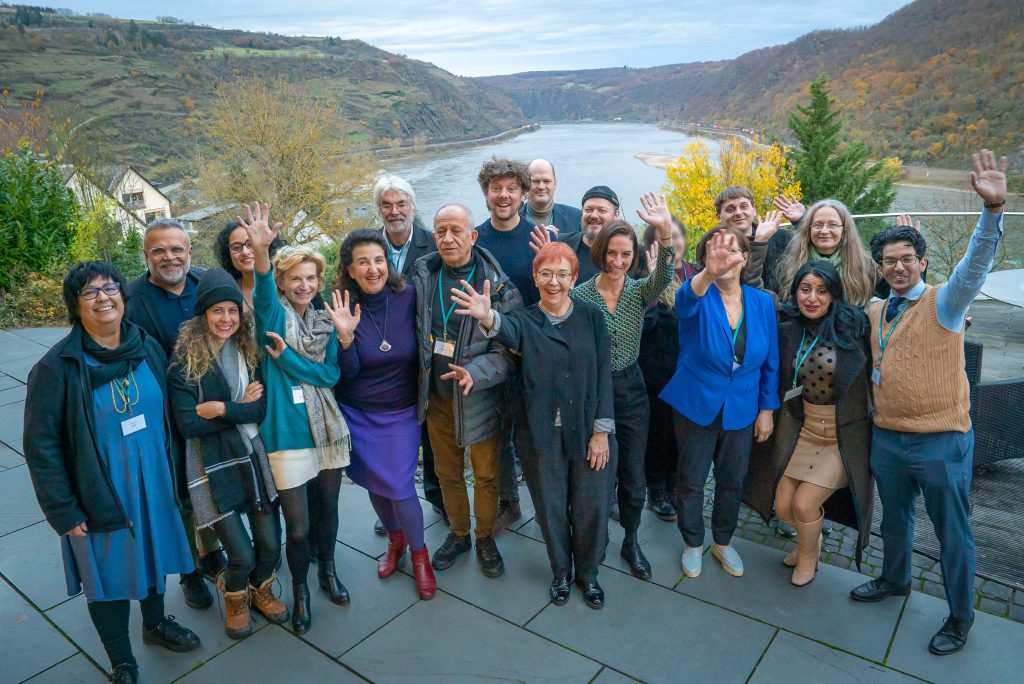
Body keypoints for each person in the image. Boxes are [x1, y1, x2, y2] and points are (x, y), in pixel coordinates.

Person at [849, 150, 1008, 656]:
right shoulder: (875, 309)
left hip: (942, 439)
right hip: (889, 437)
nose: (897, 267)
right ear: (881, 267)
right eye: (888, 261)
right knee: (894, 519)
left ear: (923, 264)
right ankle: (895, 579)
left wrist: (994, 210)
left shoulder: (946, 301)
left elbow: (977, 262)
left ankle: (960, 615)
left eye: (906, 260)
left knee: (952, 531)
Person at [24, 261, 200, 684]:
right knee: (107, 577)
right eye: (90, 292)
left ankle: (155, 626)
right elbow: (41, 447)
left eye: (110, 288)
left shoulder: (145, 346)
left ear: (123, 295)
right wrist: (64, 510)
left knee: (155, 557)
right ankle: (121, 660)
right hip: (99, 492)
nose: (104, 298)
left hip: (154, 482)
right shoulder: (57, 369)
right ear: (75, 305)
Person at [452, 242, 616, 608]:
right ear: (535, 278)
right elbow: (503, 327)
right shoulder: (525, 321)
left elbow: (605, 374)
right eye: (545, 273)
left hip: (589, 430)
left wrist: (602, 432)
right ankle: (561, 572)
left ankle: (588, 575)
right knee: (549, 505)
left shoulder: (591, 317)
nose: (553, 282)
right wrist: (485, 315)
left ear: (574, 278)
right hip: (541, 433)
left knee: (591, 507)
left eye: (562, 274)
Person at [235, 202, 352, 635]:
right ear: (283, 282)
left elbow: (332, 374)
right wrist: (262, 251)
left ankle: (329, 571)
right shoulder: (271, 314)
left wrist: (289, 361)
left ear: (318, 281)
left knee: (329, 513)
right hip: (286, 435)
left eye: (311, 278)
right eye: (295, 278)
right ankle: (300, 589)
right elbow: (261, 285)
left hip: (328, 434)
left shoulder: (327, 322)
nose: (304, 285)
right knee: (298, 529)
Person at [549, 192, 676, 580]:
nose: (618, 262)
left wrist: (665, 233)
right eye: (612, 254)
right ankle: (595, 537)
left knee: (634, 477)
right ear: (600, 253)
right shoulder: (582, 295)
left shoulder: (639, 291)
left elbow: (665, 276)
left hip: (632, 390)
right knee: (598, 472)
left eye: (625, 255)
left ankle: (632, 540)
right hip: (592, 393)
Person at [167, 269, 289, 639]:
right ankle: (236, 595)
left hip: (252, 456)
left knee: (269, 543)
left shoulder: (249, 353)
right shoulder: (183, 364)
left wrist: (220, 408)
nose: (226, 319)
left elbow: (259, 410)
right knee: (241, 554)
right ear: (204, 314)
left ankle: (260, 589)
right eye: (217, 311)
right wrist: (237, 407)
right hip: (208, 464)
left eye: (232, 311)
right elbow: (188, 424)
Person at [743, 261, 874, 586]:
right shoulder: (788, 328)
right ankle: (809, 541)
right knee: (784, 507)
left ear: (833, 295)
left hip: (839, 437)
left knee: (804, 503)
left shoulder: (854, 328)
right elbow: (752, 295)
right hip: (803, 431)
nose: (812, 297)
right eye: (805, 289)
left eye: (821, 290)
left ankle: (807, 557)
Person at [660, 227, 780, 579]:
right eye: (716, 250)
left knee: (732, 481)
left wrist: (767, 410)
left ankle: (723, 542)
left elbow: (770, 361)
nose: (726, 256)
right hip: (696, 404)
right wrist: (708, 273)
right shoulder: (698, 296)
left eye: (733, 250)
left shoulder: (761, 303)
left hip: (742, 408)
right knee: (691, 480)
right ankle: (693, 542)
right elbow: (683, 303)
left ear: (746, 257)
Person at [411, 203, 523, 577]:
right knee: (446, 473)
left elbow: (509, 351)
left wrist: (477, 372)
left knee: (487, 475)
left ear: (473, 236)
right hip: (436, 398)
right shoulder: (424, 276)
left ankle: (486, 537)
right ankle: (459, 533)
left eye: (456, 230)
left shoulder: (499, 284)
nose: (447, 238)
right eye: (440, 231)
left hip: (480, 399)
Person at [329, 229, 437, 600]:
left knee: (401, 486)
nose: (373, 268)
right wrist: (344, 338)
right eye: (363, 262)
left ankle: (420, 556)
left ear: (387, 264)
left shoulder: (407, 296)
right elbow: (349, 372)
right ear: (351, 269)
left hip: (401, 411)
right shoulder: (341, 304)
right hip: (357, 411)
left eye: (378, 260)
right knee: (374, 481)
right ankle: (395, 543)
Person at [126, 217, 225, 609]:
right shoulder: (131, 299)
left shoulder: (207, 285)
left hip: (213, 408)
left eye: (176, 249)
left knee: (214, 484)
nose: (169, 257)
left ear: (189, 250)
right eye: (159, 250)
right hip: (165, 415)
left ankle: (213, 551)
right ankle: (188, 569)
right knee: (178, 494)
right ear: (146, 255)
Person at [370, 173, 446, 530]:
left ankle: (438, 499)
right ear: (379, 210)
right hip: (383, 360)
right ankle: (392, 505)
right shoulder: (368, 247)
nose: (394, 211)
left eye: (401, 204)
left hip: (426, 356)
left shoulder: (434, 246)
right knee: (388, 437)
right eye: (387, 205)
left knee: (430, 435)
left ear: (413, 207)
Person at [474, 157, 540, 533]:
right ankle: (508, 501)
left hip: (530, 352)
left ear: (523, 194)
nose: (503, 195)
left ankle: (546, 500)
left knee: (532, 433)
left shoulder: (536, 238)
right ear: (486, 194)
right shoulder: (475, 240)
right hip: (488, 353)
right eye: (496, 188)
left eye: (511, 188)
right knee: (496, 433)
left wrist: (525, 346)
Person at [635, 217, 695, 522]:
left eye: (675, 239)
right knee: (657, 434)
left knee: (679, 435)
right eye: (660, 239)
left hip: (687, 371)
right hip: (653, 371)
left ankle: (674, 486)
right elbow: (644, 326)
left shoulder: (694, 274)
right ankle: (656, 490)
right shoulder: (641, 278)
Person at [772, 200, 877, 306]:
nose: (824, 231)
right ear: (809, 229)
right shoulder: (790, 265)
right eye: (818, 225)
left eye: (833, 225)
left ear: (845, 229)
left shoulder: (865, 265)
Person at [714, 186, 791, 292]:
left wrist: (801, 219)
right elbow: (741, 290)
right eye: (730, 209)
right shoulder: (713, 246)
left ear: (754, 210)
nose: (738, 212)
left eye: (744, 206)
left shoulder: (782, 238)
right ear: (718, 217)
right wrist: (759, 243)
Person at [556, 185, 622, 283]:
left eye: (602, 210)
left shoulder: (631, 254)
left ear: (616, 215)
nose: (594, 215)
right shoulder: (561, 245)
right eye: (588, 210)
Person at [214, 220, 284, 311]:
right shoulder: (226, 291)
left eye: (251, 244)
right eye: (236, 247)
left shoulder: (286, 285)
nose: (245, 252)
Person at [519, 158, 583, 235]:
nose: (541, 187)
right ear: (525, 185)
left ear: (555, 184)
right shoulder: (512, 219)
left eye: (547, 181)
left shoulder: (577, 218)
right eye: (535, 181)